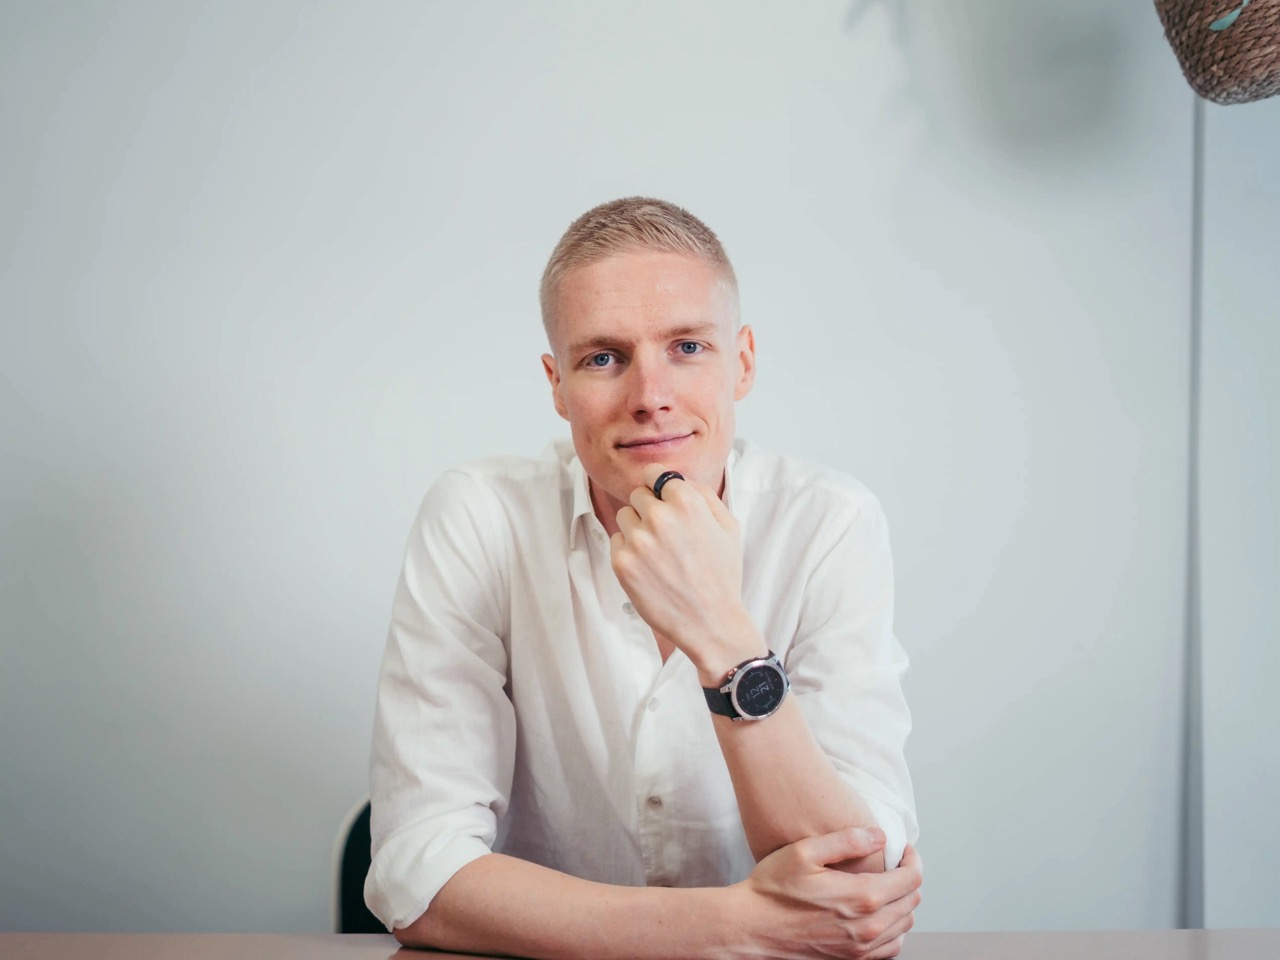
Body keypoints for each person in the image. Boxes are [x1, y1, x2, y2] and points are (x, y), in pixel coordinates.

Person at [365, 197, 922, 958]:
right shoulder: (479, 517)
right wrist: (736, 926)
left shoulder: (830, 524)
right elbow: (417, 873)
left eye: (687, 347)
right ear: (556, 384)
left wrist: (722, 636)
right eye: (603, 358)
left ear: (743, 362)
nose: (650, 396)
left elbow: (858, 878)